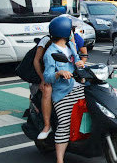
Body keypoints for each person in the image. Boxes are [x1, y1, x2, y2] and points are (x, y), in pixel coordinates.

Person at [32, 15, 87, 140]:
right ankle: (47, 126)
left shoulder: (70, 44)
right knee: (47, 89)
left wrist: (81, 64)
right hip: (49, 74)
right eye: (70, 29)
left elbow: (79, 57)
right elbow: (37, 61)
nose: (73, 32)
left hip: (69, 78)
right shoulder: (46, 43)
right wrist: (43, 78)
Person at [42, 16, 85, 163]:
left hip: (75, 86)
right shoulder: (50, 53)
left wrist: (79, 63)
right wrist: (59, 73)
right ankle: (60, 160)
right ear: (66, 32)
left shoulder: (70, 47)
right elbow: (47, 77)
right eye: (71, 30)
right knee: (64, 124)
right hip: (62, 93)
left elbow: (76, 61)